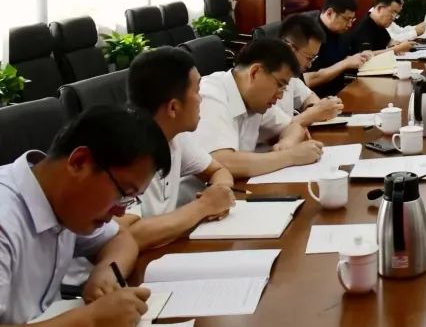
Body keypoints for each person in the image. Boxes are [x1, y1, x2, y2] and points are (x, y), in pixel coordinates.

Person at [0, 106, 171, 325]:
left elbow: (121, 238)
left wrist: (105, 273)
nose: (121, 211)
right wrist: (91, 318)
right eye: (123, 193)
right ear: (79, 162)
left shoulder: (65, 204)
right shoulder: (5, 218)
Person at [119, 47, 236, 249]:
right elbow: (126, 236)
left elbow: (218, 170)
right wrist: (204, 206)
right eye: (197, 91)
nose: (201, 98)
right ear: (173, 107)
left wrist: (219, 192)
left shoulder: (175, 135)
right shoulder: (123, 149)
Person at [194, 39, 324, 179]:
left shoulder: (254, 100)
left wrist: (286, 143)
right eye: (279, 85)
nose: (280, 96)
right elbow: (221, 162)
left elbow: (294, 126)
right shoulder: (209, 95)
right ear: (255, 72)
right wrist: (289, 156)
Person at [277, 14, 345, 127]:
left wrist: (315, 107)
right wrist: (313, 114)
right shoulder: (265, 77)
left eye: (314, 58)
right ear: (289, 49)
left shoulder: (290, 73)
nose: (309, 65)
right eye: (309, 58)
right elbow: (274, 128)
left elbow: (308, 96)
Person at [305, 0, 373, 97]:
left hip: (340, 93)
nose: (350, 25)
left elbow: (342, 58)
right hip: (317, 98)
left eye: (352, 20)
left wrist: (357, 57)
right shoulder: (308, 32)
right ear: (329, 13)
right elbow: (307, 79)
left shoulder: (341, 32)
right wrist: (345, 63)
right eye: (346, 19)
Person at [351, 0, 415, 54]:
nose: (394, 18)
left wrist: (398, 45)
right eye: (393, 12)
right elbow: (364, 56)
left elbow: (390, 42)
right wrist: (396, 49)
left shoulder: (379, 25)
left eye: (396, 14)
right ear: (379, 8)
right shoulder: (364, 28)